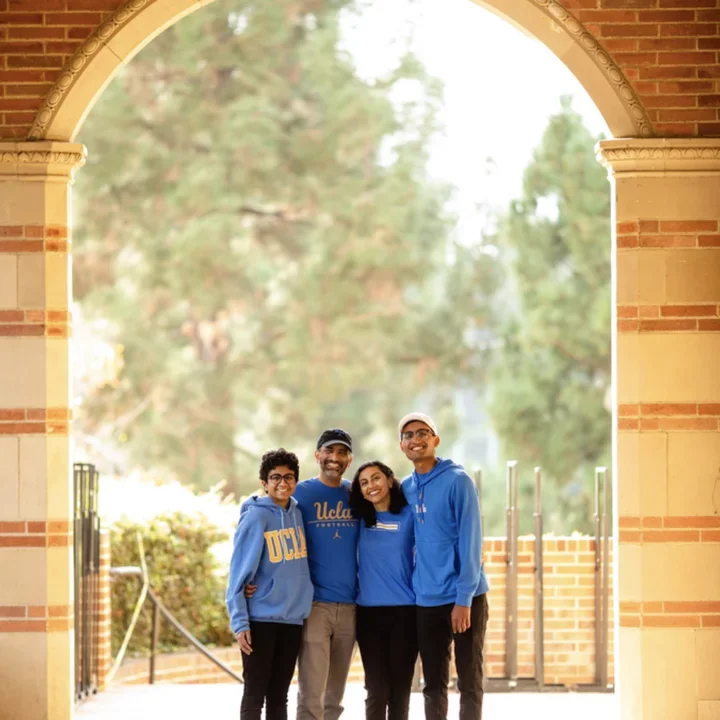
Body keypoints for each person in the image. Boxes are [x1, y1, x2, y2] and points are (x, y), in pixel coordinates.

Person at [398, 412, 489, 720]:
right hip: (426, 597)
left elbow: (471, 541)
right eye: (408, 435)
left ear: (435, 440)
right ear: (402, 446)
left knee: (469, 680)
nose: (416, 439)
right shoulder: (405, 489)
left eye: (423, 432)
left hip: (465, 596)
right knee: (433, 683)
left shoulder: (458, 481)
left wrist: (464, 599)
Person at [225, 448, 314, 720]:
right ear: (264, 483)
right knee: (254, 694)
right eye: (275, 477)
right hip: (261, 620)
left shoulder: (298, 514)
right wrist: (240, 622)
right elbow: (238, 573)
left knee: (279, 695)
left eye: (289, 477)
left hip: (292, 620)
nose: (282, 483)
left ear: (296, 481)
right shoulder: (256, 516)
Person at [293, 428, 359, 720]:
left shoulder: (358, 493)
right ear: (317, 455)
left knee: (335, 697)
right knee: (311, 696)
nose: (335, 458)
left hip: (352, 606)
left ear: (350, 459)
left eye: (342, 452)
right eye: (329, 451)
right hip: (315, 606)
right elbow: (269, 526)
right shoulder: (299, 493)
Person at [349, 460, 417, 720]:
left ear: (389, 480)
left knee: (399, 691)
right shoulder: (359, 520)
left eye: (376, 478)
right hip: (368, 615)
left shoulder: (409, 516)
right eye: (364, 483)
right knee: (377, 689)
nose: (371, 486)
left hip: (405, 613)